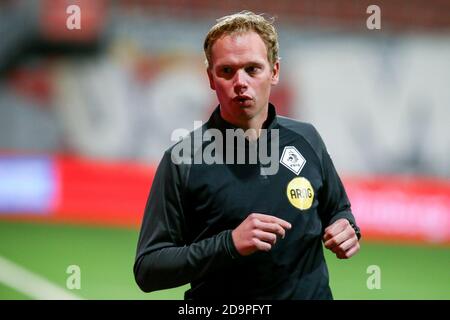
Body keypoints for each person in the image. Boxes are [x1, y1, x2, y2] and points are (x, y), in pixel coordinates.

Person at [134, 11, 361, 300]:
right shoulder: (183, 159)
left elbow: (338, 209)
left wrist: (346, 228)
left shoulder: (307, 140)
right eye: (227, 71)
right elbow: (148, 269)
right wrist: (228, 244)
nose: (240, 82)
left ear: (275, 72)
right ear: (210, 78)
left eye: (253, 69)